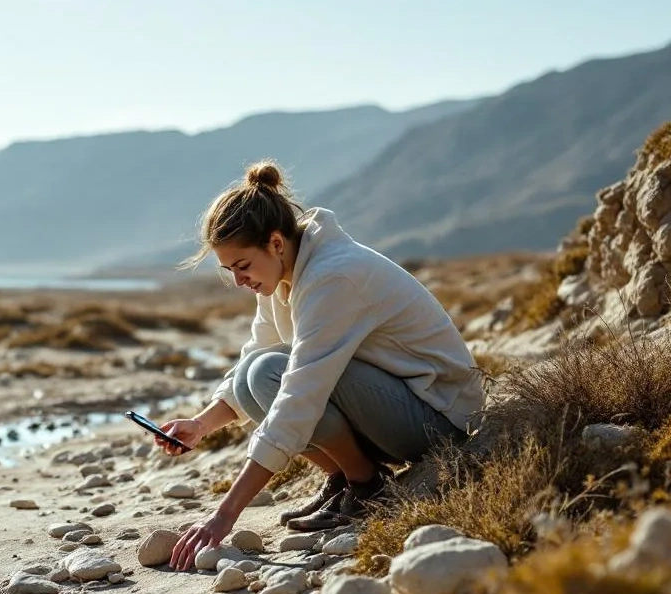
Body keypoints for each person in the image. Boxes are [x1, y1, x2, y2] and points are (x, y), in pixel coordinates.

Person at [157, 160, 486, 571]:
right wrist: (202, 424)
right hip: (391, 410)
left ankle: (366, 485)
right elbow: (256, 353)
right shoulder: (282, 273)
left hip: (440, 420)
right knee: (251, 374)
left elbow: (301, 393)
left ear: (276, 243)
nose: (240, 281)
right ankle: (347, 480)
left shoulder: (333, 276)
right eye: (229, 271)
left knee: (271, 373)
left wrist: (223, 516)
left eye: (243, 266)